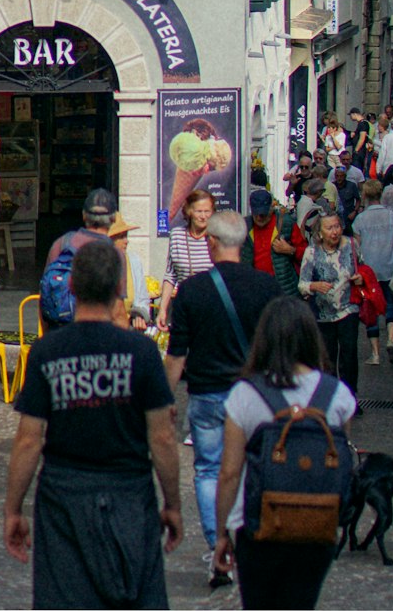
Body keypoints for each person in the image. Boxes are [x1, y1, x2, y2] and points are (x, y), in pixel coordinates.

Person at [4, 240, 183, 608]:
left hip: (63, 497)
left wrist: (13, 509)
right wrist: (173, 503)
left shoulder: (47, 352)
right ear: (120, 288)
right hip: (129, 493)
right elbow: (162, 437)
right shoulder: (142, 353)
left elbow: (27, 441)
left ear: (71, 287)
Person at [212, 297, 356, 609]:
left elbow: (229, 473)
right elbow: (341, 460)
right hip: (318, 521)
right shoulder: (338, 394)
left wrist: (222, 531)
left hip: (257, 526)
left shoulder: (245, 395)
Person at [164, 210, 279, 575]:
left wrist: (166, 399)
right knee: (254, 468)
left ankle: (218, 548)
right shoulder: (268, 288)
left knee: (210, 469)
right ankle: (250, 539)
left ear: (210, 242)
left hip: (209, 394)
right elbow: (280, 346)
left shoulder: (192, 292)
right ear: (242, 242)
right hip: (257, 396)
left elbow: (177, 354)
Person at [298, 209, 362, 396]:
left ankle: (350, 397)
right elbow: (302, 284)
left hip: (348, 308)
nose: (334, 232)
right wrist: (314, 285)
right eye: (329, 228)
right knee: (328, 357)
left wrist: (360, 278)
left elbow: (363, 267)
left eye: (337, 227)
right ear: (320, 232)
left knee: (349, 354)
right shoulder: (311, 252)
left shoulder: (351, 245)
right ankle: (330, 397)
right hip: (322, 313)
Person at [41, 188, 123, 328]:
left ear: (84, 215)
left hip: (60, 333)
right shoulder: (115, 253)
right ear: (114, 218)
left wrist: (49, 339)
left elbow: (45, 294)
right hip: (98, 337)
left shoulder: (61, 244)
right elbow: (118, 311)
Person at [352, 179, 393, 366]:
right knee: (391, 304)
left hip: (369, 270)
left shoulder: (360, 219)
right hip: (389, 265)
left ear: (364, 195)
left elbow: (356, 247)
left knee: (370, 309)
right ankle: (391, 339)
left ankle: (375, 354)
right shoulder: (391, 215)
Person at [156, 188, 215, 330]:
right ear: (189, 211)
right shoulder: (177, 235)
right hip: (184, 306)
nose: (203, 216)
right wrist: (162, 309)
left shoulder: (216, 237)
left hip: (211, 308)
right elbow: (171, 275)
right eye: (198, 211)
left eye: (207, 211)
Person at [242, 188, 300, 295]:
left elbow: (306, 254)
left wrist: (291, 250)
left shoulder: (286, 224)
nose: (259, 218)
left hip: (283, 290)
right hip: (256, 289)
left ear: (271, 208)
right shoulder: (245, 226)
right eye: (256, 214)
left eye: (263, 214)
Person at [109, 214, 150, 331]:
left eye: (126, 236)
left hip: (128, 329)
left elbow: (142, 298)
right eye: (121, 237)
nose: (126, 241)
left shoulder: (133, 261)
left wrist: (139, 315)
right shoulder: (97, 263)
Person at [332, 165, 359, 231]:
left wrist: (355, 212)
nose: (339, 178)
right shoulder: (332, 186)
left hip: (349, 217)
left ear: (345, 176)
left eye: (341, 176)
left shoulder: (352, 185)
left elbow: (358, 200)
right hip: (336, 217)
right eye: (337, 176)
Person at [348, 107, 371, 172]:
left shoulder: (363, 124)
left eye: (351, 115)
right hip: (359, 152)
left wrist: (356, 150)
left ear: (354, 114)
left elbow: (362, 138)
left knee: (356, 170)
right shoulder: (360, 124)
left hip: (359, 153)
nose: (350, 117)